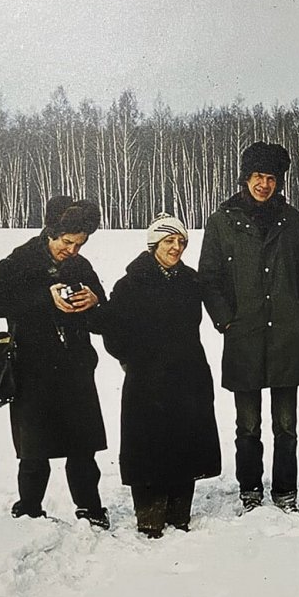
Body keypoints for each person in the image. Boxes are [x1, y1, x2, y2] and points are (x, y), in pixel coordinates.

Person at [198, 141, 299, 514]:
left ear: (278, 182)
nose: (264, 185)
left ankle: (285, 491)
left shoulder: (291, 220)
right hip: (244, 336)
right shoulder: (222, 222)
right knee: (247, 426)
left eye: (271, 178)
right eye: (257, 176)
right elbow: (209, 278)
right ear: (244, 178)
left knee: (286, 425)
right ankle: (250, 490)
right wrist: (226, 319)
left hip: (286, 336)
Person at [0, 195, 110, 529]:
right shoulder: (21, 259)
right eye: (67, 242)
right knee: (33, 452)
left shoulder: (80, 266)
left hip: (76, 368)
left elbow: (103, 321)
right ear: (51, 232)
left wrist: (95, 302)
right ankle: (29, 510)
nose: (73, 250)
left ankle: (90, 509)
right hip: (32, 371)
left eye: (80, 244)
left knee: (83, 449)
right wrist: (44, 296)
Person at [101, 214, 223, 538]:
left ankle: (179, 511)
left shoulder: (192, 281)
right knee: (148, 445)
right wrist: (129, 358)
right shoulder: (130, 283)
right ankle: (150, 514)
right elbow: (112, 330)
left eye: (181, 241)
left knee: (186, 440)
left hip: (188, 374)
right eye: (169, 241)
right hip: (147, 377)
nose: (176, 247)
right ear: (154, 244)